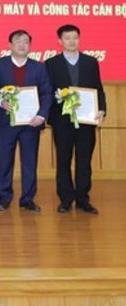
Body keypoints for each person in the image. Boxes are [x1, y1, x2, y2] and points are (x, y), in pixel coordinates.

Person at [45, 24, 107, 214]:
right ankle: (65, 199)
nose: (72, 41)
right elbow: (47, 92)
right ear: (60, 41)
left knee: (84, 161)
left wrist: (102, 110)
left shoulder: (90, 62)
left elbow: (98, 89)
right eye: (67, 38)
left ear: (79, 39)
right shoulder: (51, 63)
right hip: (62, 121)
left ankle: (82, 199)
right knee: (63, 160)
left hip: (86, 120)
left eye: (75, 38)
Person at [0, 30, 52, 213]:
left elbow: (46, 93)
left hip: (31, 122)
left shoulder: (39, 67)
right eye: (18, 41)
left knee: (29, 161)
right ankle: (4, 197)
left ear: (30, 46)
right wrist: (0, 102)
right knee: (5, 160)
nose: (22, 45)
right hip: (6, 121)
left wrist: (41, 115)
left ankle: (28, 199)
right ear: (10, 45)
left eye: (26, 42)